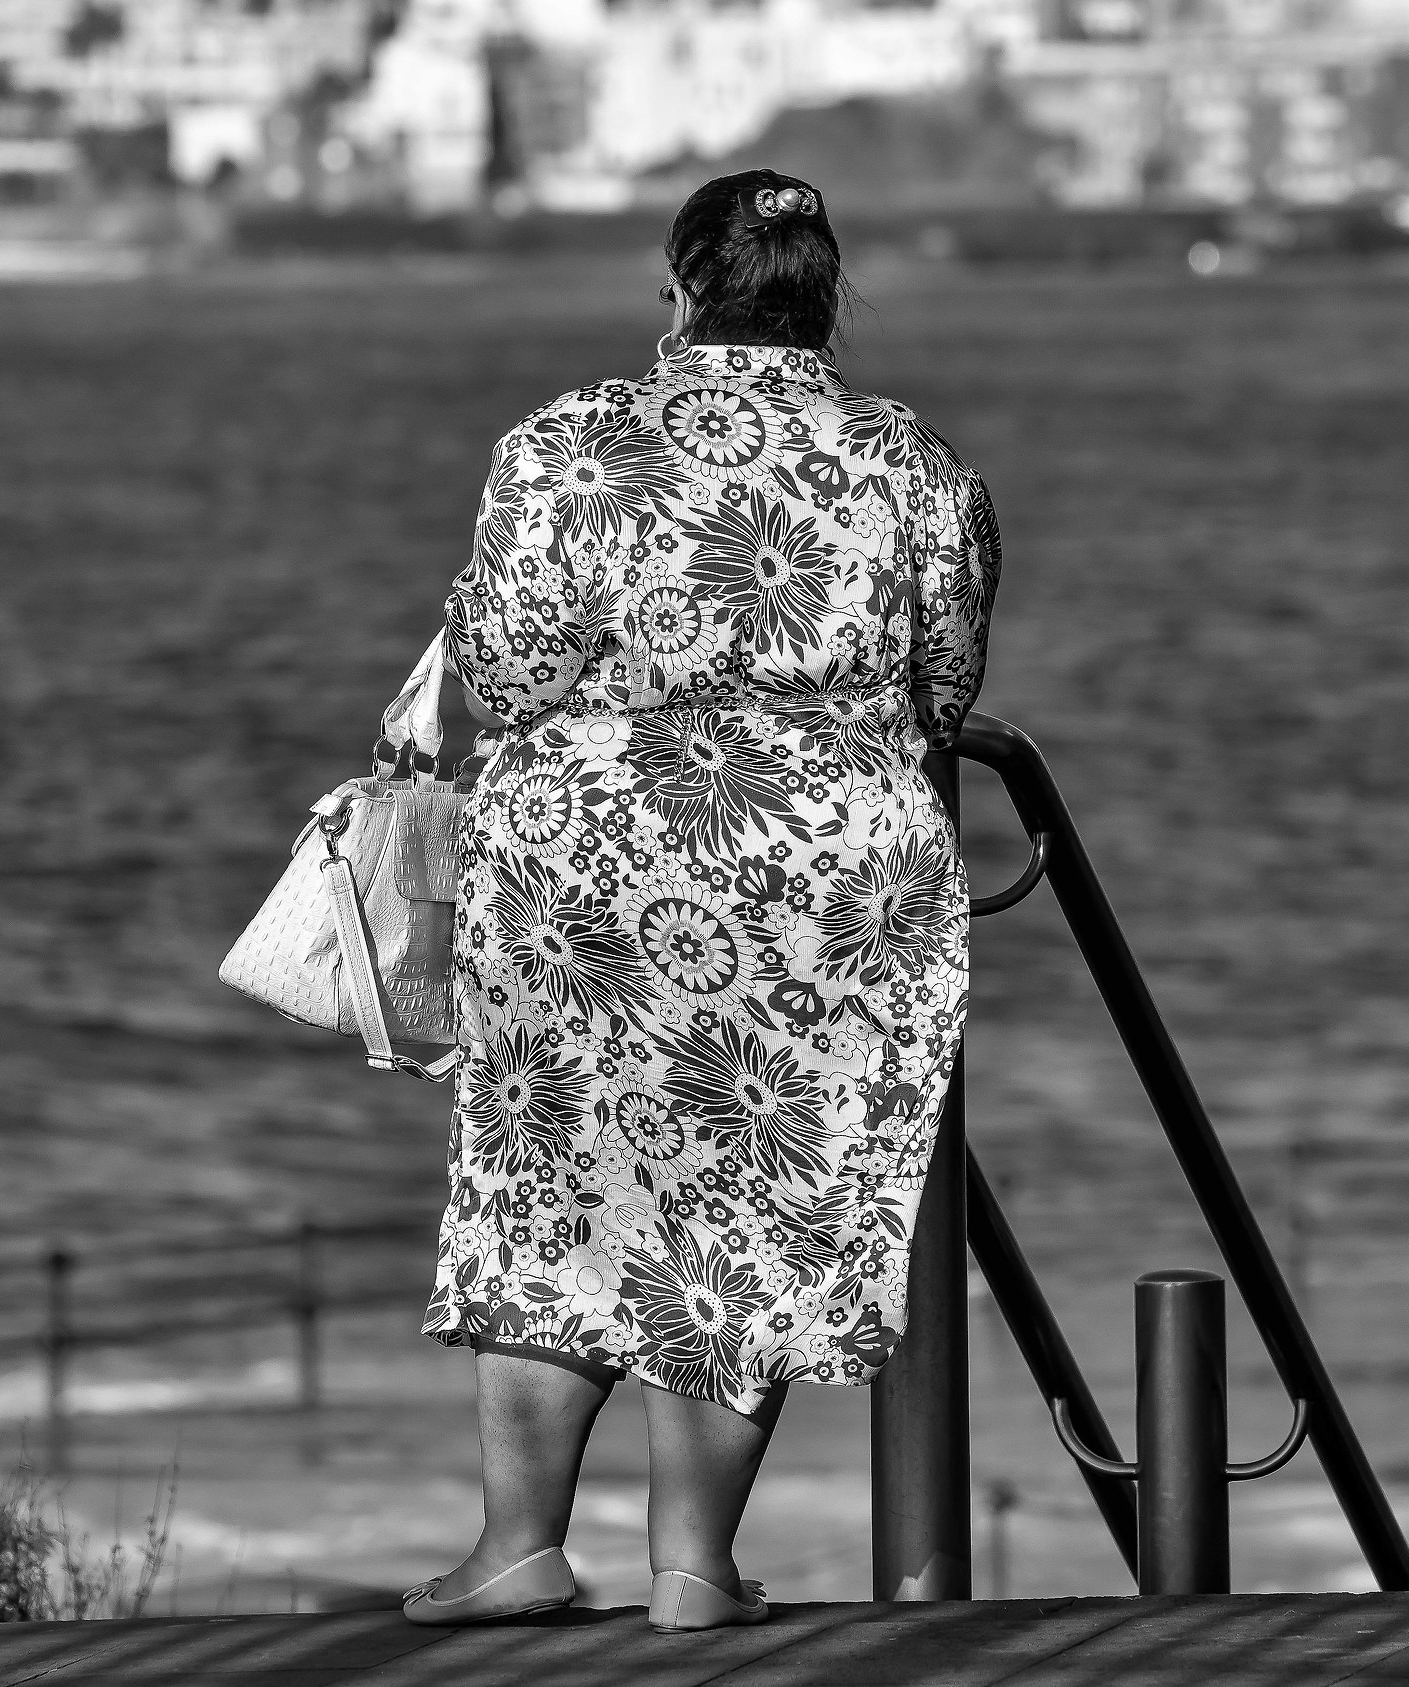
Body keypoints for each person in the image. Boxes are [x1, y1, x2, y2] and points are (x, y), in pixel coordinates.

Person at [402, 169, 1001, 1632]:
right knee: (752, 1202)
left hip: (585, 876)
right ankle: (693, 1571)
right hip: (825, 882)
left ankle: (520, 1552)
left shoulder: (562, 447)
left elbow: (510, 673)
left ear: (678, 291)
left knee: (558, 1193)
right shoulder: (906, 461)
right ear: (824, 296)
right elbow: (946, 688)